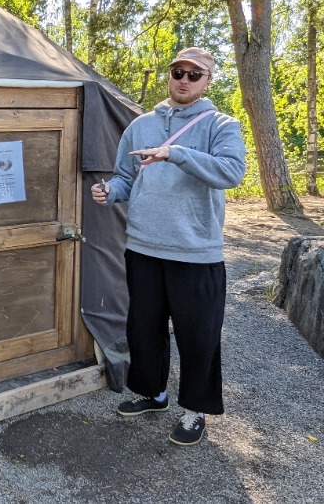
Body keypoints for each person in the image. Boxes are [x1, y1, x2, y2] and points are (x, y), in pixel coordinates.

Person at [91, 46, 247, 446]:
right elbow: (126, 176)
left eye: (195, 75)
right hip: (143, 247)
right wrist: (110, 191)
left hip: (196, 252)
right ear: (169, 74)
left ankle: (195, 410)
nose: (184, 79)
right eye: (178, 71)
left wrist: (176, 153)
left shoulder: (221, 125)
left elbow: (231, 173)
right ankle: (153, 393)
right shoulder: (141, 125)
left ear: (208, 80)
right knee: (143, 329)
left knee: (198, 335)